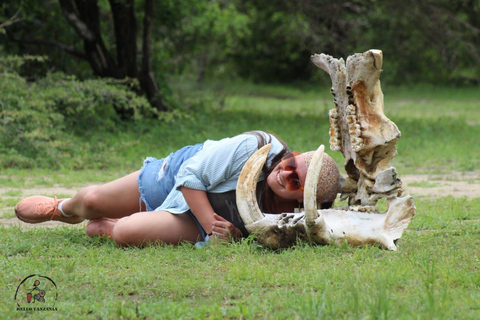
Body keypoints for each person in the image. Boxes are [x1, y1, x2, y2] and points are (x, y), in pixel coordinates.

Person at [14, 131, 340, 247]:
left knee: (125, 234)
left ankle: (112, 225)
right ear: (292, 156)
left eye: (296, 182)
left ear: (303, 200)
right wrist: (214, 225)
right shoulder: (256, 146)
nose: (286, 174)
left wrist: (222, 237)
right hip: (183, 177)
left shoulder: (296, 221)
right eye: (292, 165)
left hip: (200, 220)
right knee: (93, 199)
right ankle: (65, 209)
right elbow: (190, 178)